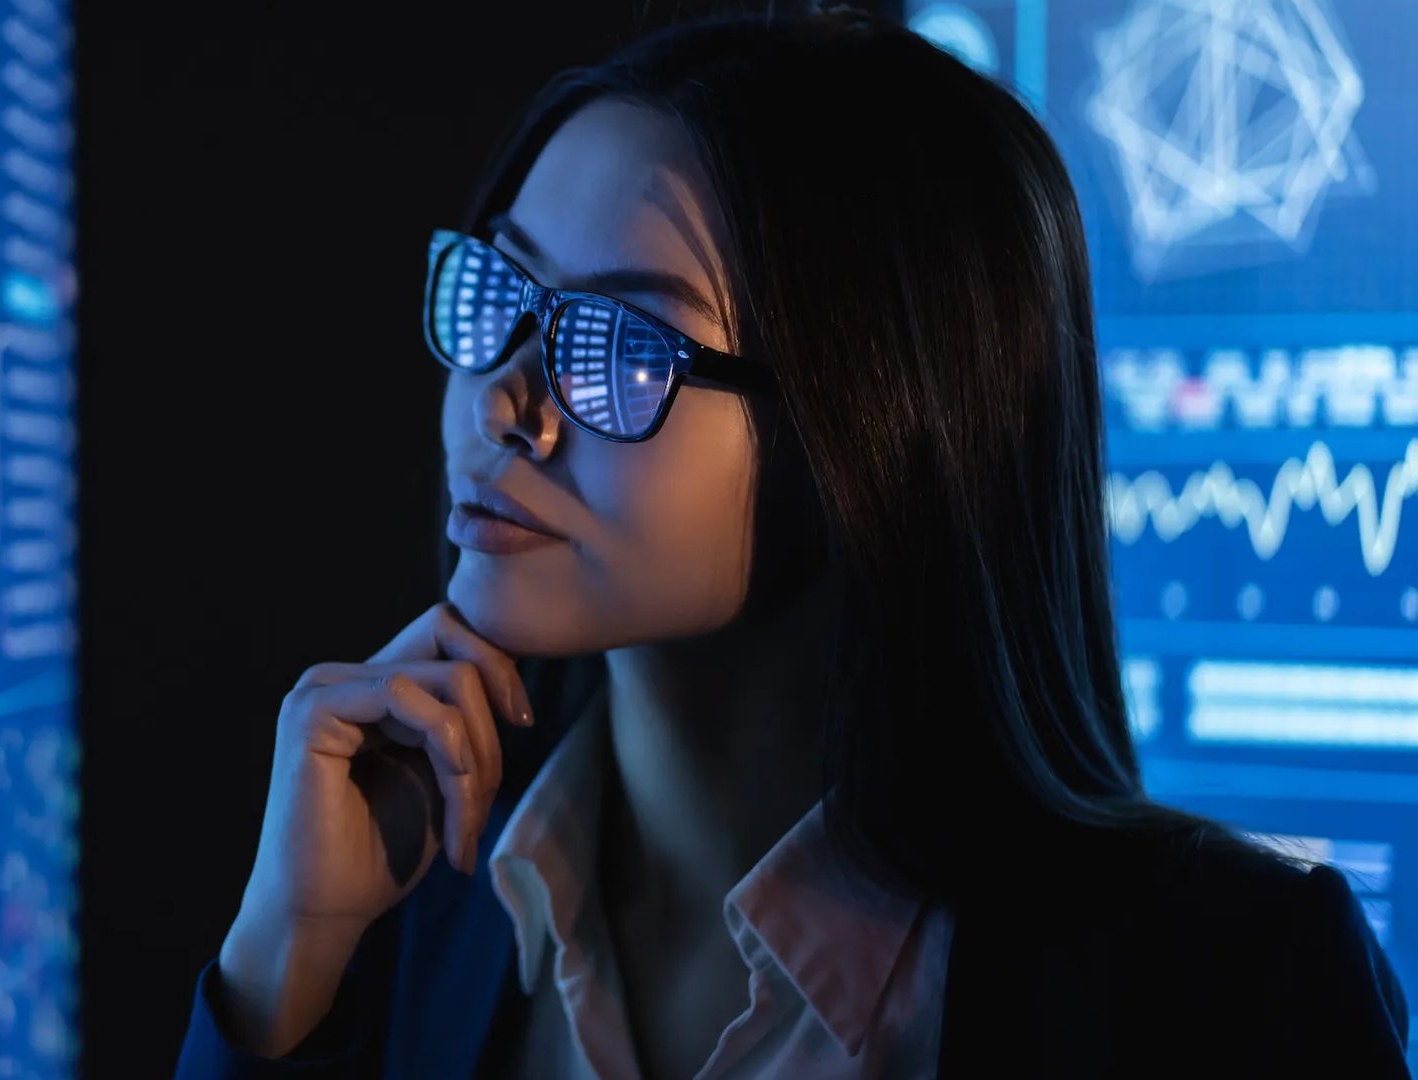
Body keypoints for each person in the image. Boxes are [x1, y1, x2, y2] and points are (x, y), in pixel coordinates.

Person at [173, 9, 1411, 1079]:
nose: (509, 401)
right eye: (500, 299)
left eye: (619, 347)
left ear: (873, 426)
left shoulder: (1226, 988)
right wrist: (282, 966)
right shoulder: (402, 898)